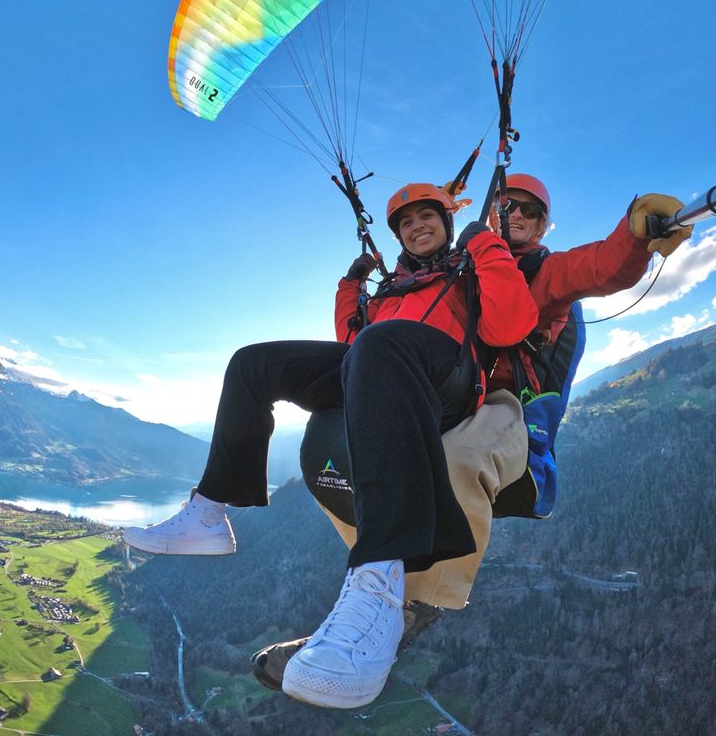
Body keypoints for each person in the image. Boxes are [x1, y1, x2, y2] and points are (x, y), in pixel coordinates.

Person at [253, 175, 692, 690]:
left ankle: (411, 608)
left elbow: (597, 267)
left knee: (459, 458)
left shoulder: (536, 271)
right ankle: (371, 590)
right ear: (489, 215)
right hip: (439, 400)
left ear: (544, 224)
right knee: (332, 457)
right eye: (509, 207)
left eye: (532, 212)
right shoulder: (453, 271)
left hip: (502, 407)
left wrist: (636, 235)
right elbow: (361, 343)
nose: (519, 217)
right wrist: (356, 286)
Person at [123, 182, 538, 710]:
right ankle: (208, 512)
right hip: (383, 368)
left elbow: (512, 325)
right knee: (254, 363)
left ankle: (380, 582)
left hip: (446, 380)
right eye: (406, 222)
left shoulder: (467, 275)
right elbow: (351, 347)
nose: (416, 226)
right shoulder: (391, 290)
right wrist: (352, 283)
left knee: (378, 344)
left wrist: (484, 246)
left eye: (426, 216)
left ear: (446, 223)